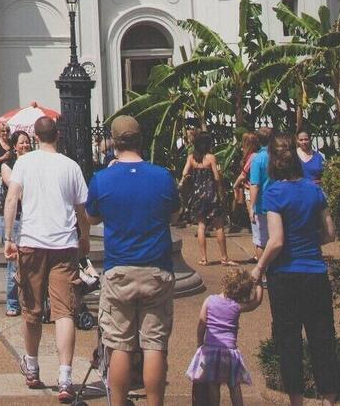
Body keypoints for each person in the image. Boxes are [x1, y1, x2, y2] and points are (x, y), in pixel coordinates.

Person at [82, 115, 179, 406]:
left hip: (120, 268)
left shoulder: (103, 179)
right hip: (156, 267)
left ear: (113, 142)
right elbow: (174, 215)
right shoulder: (162, 176)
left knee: (119, 345)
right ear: (140, 139)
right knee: (154, 344)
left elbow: (93, 216)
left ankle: (119, 402)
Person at [2, 116, 89, 400]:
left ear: (35, 137)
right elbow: (81, 210)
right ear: (58, 135)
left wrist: (9, 238)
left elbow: (12, 198)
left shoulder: (24, 163)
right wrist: (84, 237)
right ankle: (65, 376)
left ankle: (32, 365)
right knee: (64, 311)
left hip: (32, 243)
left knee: (32, 310)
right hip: (64, 244)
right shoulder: (71, 166)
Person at [252, 133, 340, 406]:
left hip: (285, 275)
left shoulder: (274, 193)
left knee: (289, 341)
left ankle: (297, 402)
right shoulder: (315, 190)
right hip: (314, 272)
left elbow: (276, 241)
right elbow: (330, 233)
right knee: (322, 339)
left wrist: (258, 268)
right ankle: (328, 400)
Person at [187, 269, 263, 406]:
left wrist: (200, 342)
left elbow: (201, 324)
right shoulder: (237, 306)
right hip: (230, 352)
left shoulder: (209, 300)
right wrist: (259, 282)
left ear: (225, 282)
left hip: (210, 351)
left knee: (213, 385)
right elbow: (257, 301)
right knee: (234, 385)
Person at [182, 132, 233, 266]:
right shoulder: (211, 158)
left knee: (201, 226)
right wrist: (220, 190)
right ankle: (224, 257)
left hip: (198, 194)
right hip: (211, 194)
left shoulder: (191, 158)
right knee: (219, 226)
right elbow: (216, 177)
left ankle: (204, 258)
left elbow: (184, 173)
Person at [0, 130, 31, 317]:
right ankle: (12, 302)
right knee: (14, 264)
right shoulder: (8, 165)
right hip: (15, 219)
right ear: (14, 146)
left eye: (27, 142)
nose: (25, 145)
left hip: (30, 217)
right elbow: (14, 189)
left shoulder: (33, 164)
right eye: (21, 142)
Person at [247, 127, 275, 261]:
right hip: (278, 203)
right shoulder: (277, 157)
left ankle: (262, 276)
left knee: (261, 242)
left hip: (262, 204)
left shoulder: (257, 159)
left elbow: (254, 184)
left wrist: (251, 206)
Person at [230, 132, 260, 235]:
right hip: (252, 187)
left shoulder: (253, 157)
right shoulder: (257, 155)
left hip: (250, 189)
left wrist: (235, 185)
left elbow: (243, 174)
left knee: (253, 216)